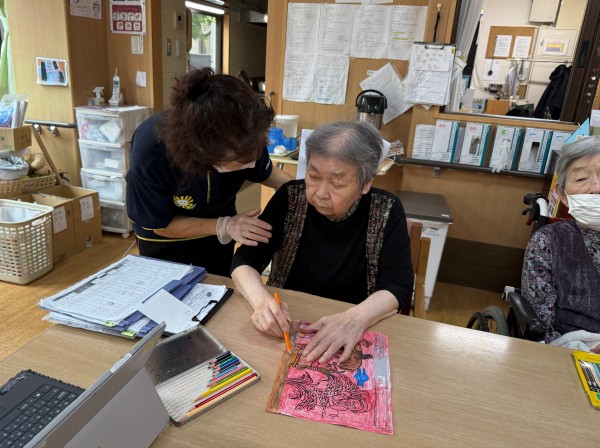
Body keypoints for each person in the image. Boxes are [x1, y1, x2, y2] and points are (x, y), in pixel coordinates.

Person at [231, 121, 413, 364]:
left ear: (366, 183)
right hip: (289, 323)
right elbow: (244, 261)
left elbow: (398, 286)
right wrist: (261, 302)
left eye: (337, 183)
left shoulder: (386, 210)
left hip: (354, 326)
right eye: (313, 176)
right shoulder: (290, 198)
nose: (320, 193)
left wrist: (354, 319)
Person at [126, 68, 292, 276]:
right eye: (239, 161)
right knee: (171, 291)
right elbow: (161, 225)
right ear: (204, 152)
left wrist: (307, 188)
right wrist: (225, 225)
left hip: (218, 239)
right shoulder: (152, 151)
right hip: (165, 243)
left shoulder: (247, 135)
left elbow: (268, 175)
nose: (251, 163)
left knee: (219, 286)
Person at [522, 136, 600, 349]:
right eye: (581, 178)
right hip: (571, 349)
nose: (596, 188)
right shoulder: (547, 243)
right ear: (562, 195)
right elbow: (541, 327)